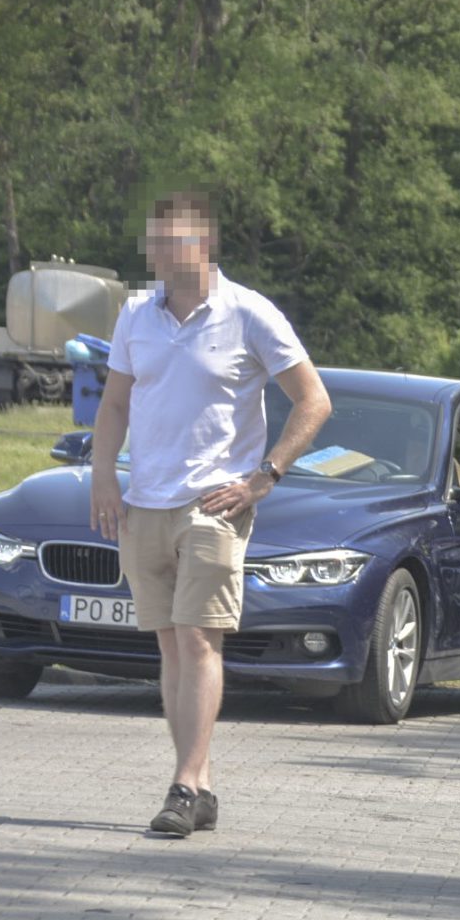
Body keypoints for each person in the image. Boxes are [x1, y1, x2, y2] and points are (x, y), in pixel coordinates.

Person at [87, 192, 331, 839]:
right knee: (171, 645)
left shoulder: (249, 312)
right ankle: (201, 784)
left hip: (213, 507)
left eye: (172, 240)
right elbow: (115, 405)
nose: (160, 252)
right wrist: (104, 474)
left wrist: (264, 476)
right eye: (155, 241)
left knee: (198, 639)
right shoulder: (136, 313)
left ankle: (183, 786)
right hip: (145, 502)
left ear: (204, 244)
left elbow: (313, 400)